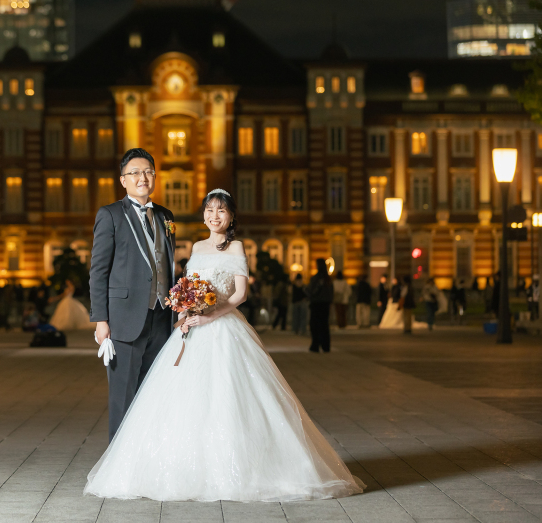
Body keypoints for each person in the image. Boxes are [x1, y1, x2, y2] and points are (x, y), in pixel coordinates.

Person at [84, 189, 364, 502]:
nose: (214, 216)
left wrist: (211, 315)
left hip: (224, 327)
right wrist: (187, 311)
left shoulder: (237, 247)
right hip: (192, 328)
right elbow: (189, 287)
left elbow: (240, 294)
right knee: (184, 400)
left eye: (221, 211)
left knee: (230, 396)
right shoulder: (197, 245)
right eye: (209, 210)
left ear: (230, 217)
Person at [89, 148, 176, 441]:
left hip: (161, 319)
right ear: (123, 180)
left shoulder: (165, 215)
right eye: (135, 173)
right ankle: (117, 468)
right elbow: (98, 271)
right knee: (122, 398)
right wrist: (101, 320)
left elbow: (168, 264)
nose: (143, 177)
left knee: (154, 396)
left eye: (148, 172)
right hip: (124, 322)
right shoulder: (110, 215)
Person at [308, 259, 334, 353]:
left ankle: (315, 345)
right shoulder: (328, 279)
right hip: (325, 304)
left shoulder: (316, 278)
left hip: (316, 304)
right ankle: (325, 346)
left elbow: (311, 291)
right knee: (324, 325)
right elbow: (331, 293)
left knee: (315, 325)